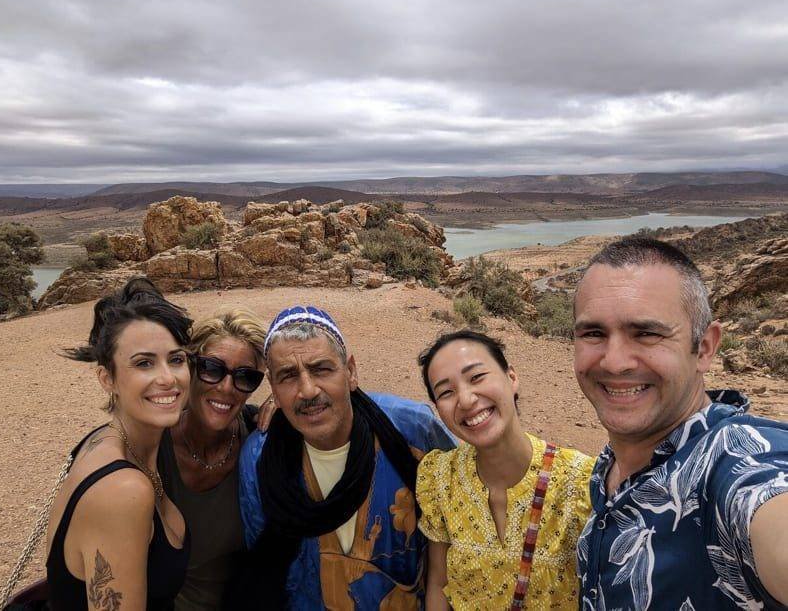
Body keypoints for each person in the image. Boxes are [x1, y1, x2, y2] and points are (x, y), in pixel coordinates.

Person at [573, 238, 788, 610]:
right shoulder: (612, 467)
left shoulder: (735, 462)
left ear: (704, 347)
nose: (614, 362)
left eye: (646, 333)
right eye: (593, 333)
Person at [238, 305, 456, 609]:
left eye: (321, 369)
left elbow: (465, 520)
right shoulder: (259, 459)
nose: (307, 390)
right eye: (288, 376)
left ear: (350, 372)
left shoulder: (411, 433)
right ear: (273, 388)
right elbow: (266, 569)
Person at [416, 330, 594, 610]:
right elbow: (438, 583)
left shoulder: (581, 482)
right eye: (446, 392)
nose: (465, 399)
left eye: (476, 377)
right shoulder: (440, 478)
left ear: (511, 377)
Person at [47, 277, 192, 610]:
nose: (168, 378)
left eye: (176, 359)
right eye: (143, 363)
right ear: (107, 378)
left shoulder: (104, 439)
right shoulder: (123, 490)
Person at [157, 308, 272, 610]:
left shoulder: (257, 441)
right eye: (212, 368)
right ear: (189, 367)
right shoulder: (153, 449)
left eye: (246, 377)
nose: (226, 387)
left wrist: (288, 409)